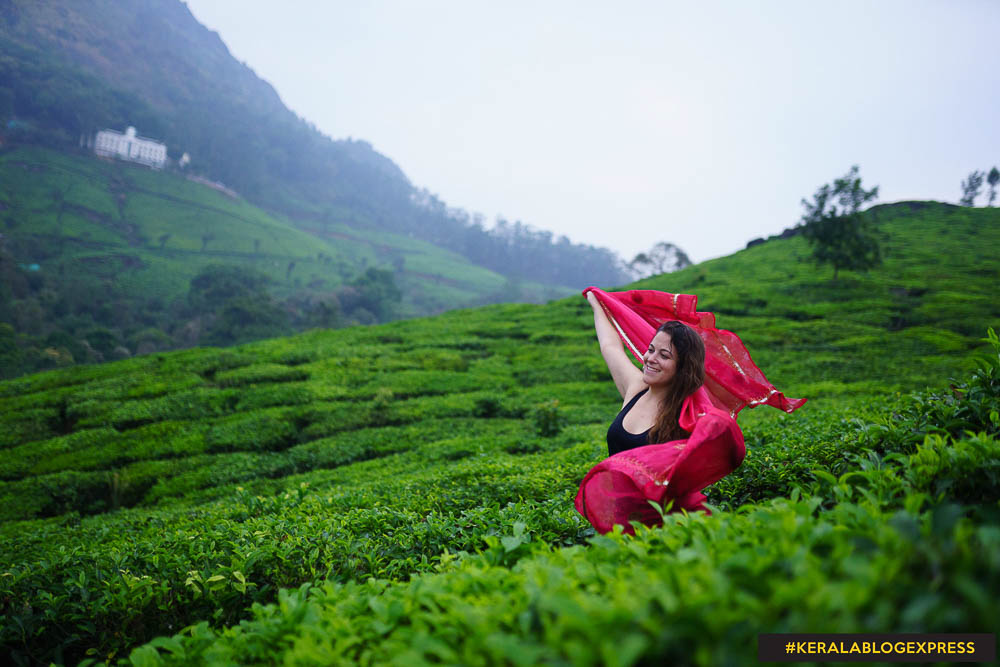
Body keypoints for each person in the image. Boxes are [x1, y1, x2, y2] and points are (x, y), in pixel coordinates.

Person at [576, 286, 804, 534]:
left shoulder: (687, 416)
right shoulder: (635, 388)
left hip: (664, 527)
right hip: (617, 525)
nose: (651, 358)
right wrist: (597, 301)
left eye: (664, 355)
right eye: (651, 349)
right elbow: (610, 347)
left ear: (682, 367)